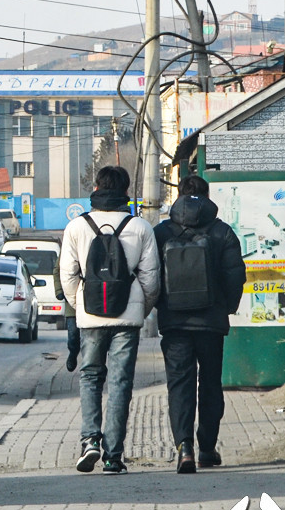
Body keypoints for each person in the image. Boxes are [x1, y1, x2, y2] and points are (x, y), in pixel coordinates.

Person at [61, 165, 160, 474]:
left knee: (90, 377)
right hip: (127, 318)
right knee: (120, 383)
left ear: (97, 188)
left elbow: (68, 275)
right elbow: (152, 279)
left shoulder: (77, 226)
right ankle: (113, 456)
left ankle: (89, 440)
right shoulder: (140, 226)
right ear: (126, 191)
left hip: (90, 316)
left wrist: (81, 303)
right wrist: (139, 309)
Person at [153, 174, 247, 474]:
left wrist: (161, 307)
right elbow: (235, 276)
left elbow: (150, 276)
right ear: (207, 197)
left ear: (179, 195)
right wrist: (226, 308)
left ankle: (184, 448)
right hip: (211, 322)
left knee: (179, 385)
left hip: (174, 324)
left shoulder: (161, 232)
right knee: (210, 383)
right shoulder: (222, 232)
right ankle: (207, 448)